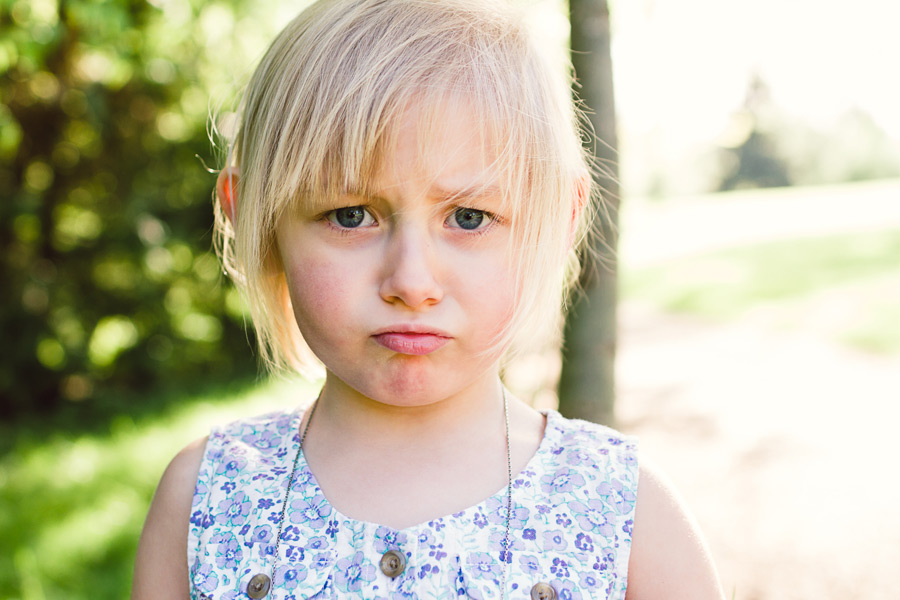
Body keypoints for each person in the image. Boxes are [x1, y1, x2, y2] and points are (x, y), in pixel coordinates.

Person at [132, 0, 725, 598]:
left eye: (470, 217)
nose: (412, 282)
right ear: (251, 219)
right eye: (350, 214)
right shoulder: (204, 502)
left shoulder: (623, 514)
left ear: (560, 220)